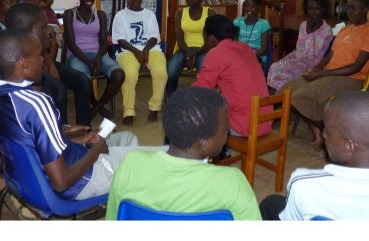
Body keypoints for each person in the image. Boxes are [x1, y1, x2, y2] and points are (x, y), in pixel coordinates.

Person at [0, 28, 152, 201]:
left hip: (32, 180)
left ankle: (124, 194)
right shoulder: (37, 103)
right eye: (39, 55)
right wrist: (95, 152)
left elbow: (30, 142)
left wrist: (70, 135)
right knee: (156, 160)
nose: (43, 60)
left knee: (128, 138)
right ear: (24, 63)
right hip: (82, 181)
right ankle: (126, 192)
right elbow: (61, 182)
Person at [259, 91, 369, 220]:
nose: (324, 135)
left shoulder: (303, 184)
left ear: (348, 145)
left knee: (271, 204)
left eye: (327, 131)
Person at [105, 86, 261, 220]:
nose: (228, 134)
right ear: (204, 142)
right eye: (225, 130)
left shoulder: (130, 165)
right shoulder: (233, 183)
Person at [281, 0, 369, 145]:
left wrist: (322, 74)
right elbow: (329, 57)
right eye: (348, 8)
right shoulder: (345, 30)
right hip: (329, 73)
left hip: (350, 78)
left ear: (366, 9)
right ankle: (317, 128)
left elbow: (356, 67)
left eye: (354, 8)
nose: (350, 12)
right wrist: (315, 69)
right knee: (284, 92)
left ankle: (329, 134)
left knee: (297, 97)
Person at [192, 14, 271, 137]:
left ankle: (207, 148)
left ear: (211, 38)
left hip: (243, 126)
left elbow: (200, 90)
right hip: (264, 122)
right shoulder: (246, 48)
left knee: (194, 111)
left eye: (204, 36)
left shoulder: (216, 53)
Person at [63, 0, 124, 120]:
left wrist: (97, 59)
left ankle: (96, 108)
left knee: (119, 75)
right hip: (77, 55)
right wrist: (89, 62)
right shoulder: (69, 14)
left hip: (98, 54)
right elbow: (71, 44)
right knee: (84, 80)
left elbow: (103, 42)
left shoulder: (100, 15)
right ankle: (99, 106)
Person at [112, 0, 168, 125]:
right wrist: (137, 52)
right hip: (128, 51)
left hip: (151, 49)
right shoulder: (120, 16)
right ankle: (128, 111)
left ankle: (155, 107)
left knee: (161, 73)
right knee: (130, 75)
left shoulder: (149, 15)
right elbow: (120, 40)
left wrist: (145, 51)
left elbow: (154, 37)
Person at [266, 0, 333, 93]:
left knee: (287, 72)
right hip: (298, 56)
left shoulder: (326, 30)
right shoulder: (304, 25)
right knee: (274, 67)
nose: (313, 12)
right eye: (310, 9)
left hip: (312, 63)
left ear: (323, 9)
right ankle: (276, 93)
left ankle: (285, 95)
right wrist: (307, 29)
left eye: (316, 9)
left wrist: (309, 32)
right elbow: (300, 49)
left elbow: (312, 54)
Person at [165, 0, 215, 98]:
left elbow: (210, 39)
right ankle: (172, 98)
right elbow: (179, 37)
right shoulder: (180, 13)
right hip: (184, 48)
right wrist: (188, 53)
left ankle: (202, 100)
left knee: (203, 72)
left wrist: (196, 53)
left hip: (203, 49)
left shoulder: (210, 13)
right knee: (170, 71)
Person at [233, 0, 271, 67]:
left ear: (259, 8)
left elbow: (263, 50)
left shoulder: (263, 24)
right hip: (239, 55)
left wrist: (247, 54)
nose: (248, 9)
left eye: (252, 6)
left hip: (256, 57)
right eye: (246, 6)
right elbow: (234, 42)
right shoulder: (237, 22)